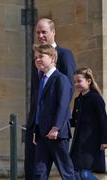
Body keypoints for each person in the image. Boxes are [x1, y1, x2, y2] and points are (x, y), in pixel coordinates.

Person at [25, 18, 76, 179]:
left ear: (53, 32)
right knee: (36, 169)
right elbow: (36, 95)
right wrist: (35, 127)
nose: (40, 35)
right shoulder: (37, 61)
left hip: (56, 127)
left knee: (65, 169)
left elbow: (66, 93)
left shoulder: (64, 55)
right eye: (38, 32)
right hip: (39, 126)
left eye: (44, 32)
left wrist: (57, 125)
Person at [70, 67, 107, 180]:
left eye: (79, 81)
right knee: (78, 175)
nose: (76, 84)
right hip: (79, 145)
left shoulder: (96, 98)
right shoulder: (78, 100)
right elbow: (73, 121)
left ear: (89, 81)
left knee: (85, 175)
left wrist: (105, 140)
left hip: (91, 144)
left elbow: (103, 120)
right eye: (75, 82)